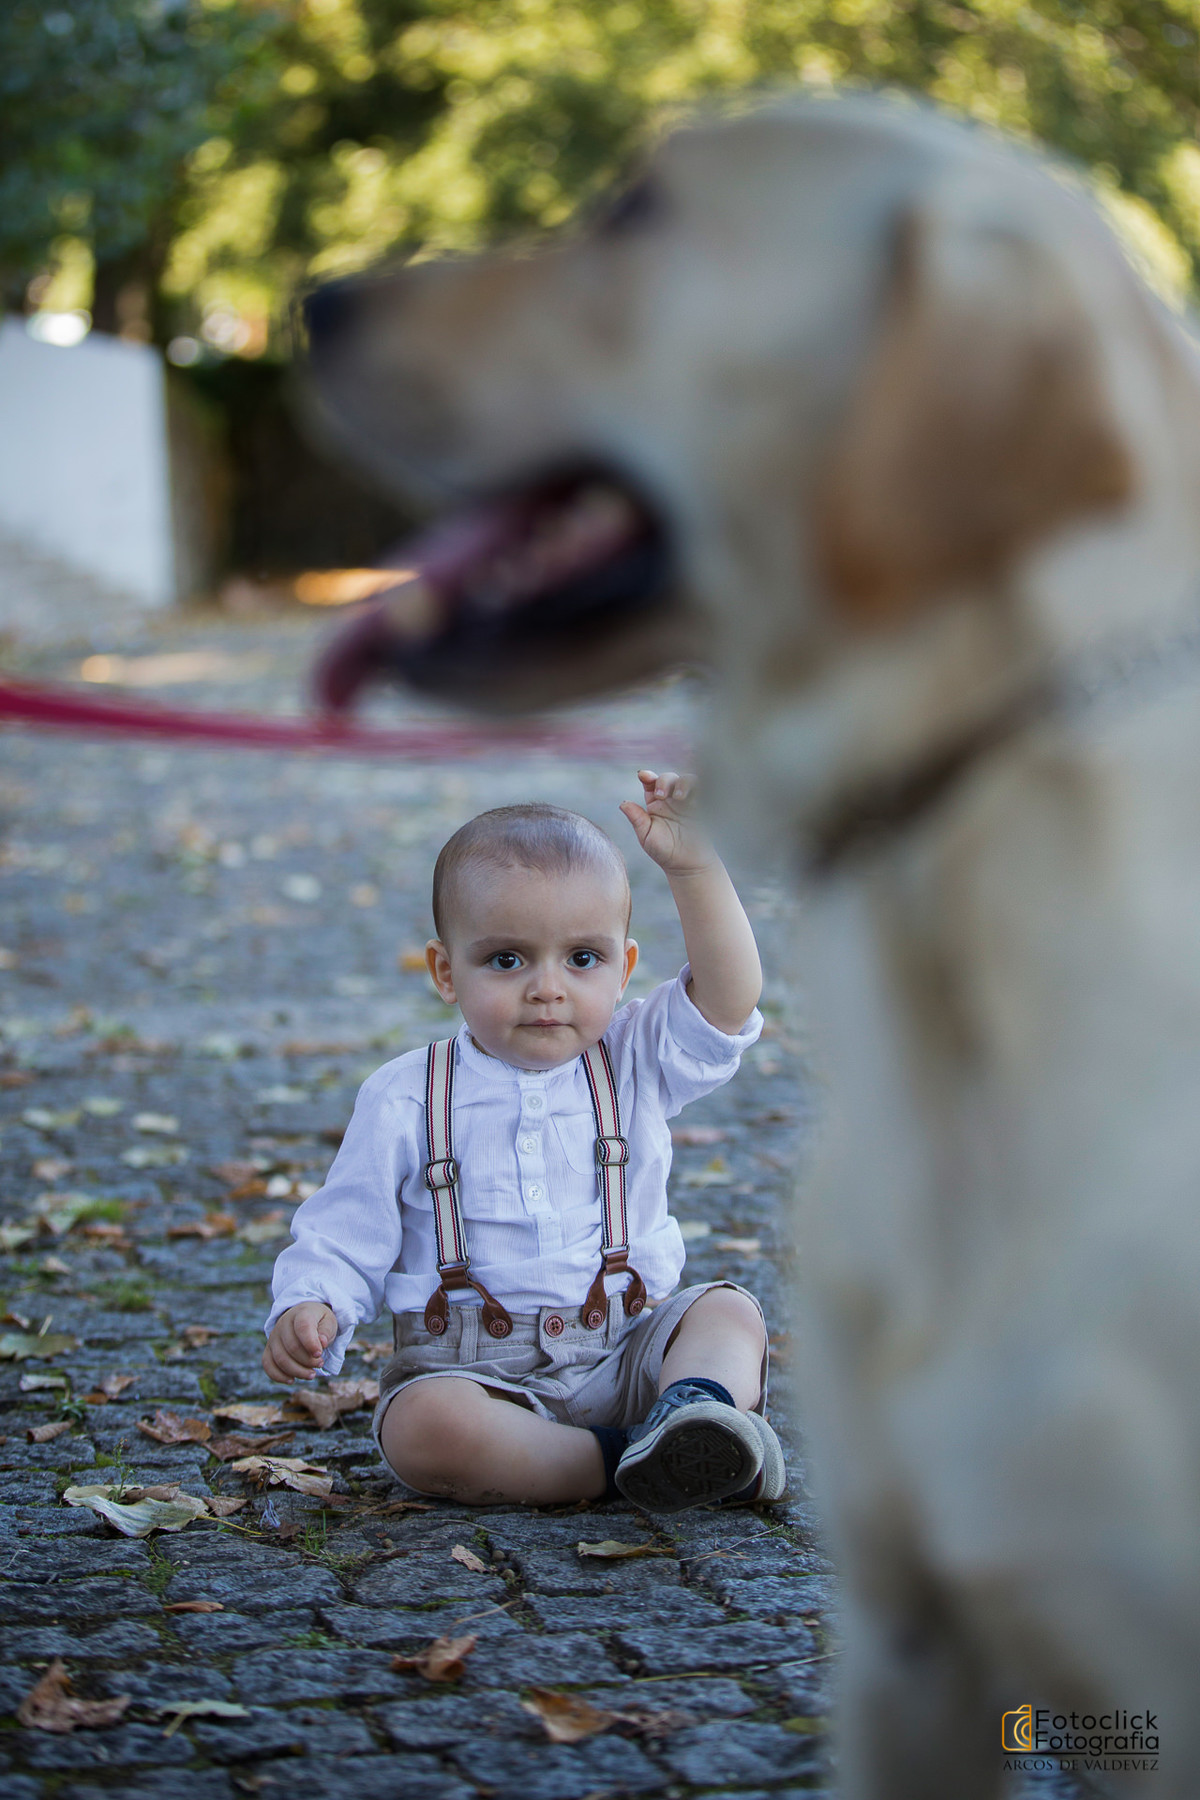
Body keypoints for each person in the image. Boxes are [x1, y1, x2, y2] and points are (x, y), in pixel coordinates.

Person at [262, 769, 784, 1510]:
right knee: (421, 1427)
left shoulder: (634, 1058)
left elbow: (730, 998)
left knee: (728, 1313)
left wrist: (695, 866)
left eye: (582, 958)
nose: (548, 987)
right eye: (507, 960)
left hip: (627, 1350)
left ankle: (689, 1415)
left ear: (625, 966)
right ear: (446, 971)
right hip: (481, 1379)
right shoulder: (408, 1095)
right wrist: (312, 1303)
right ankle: (623, 1462)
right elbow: (347, 1226)